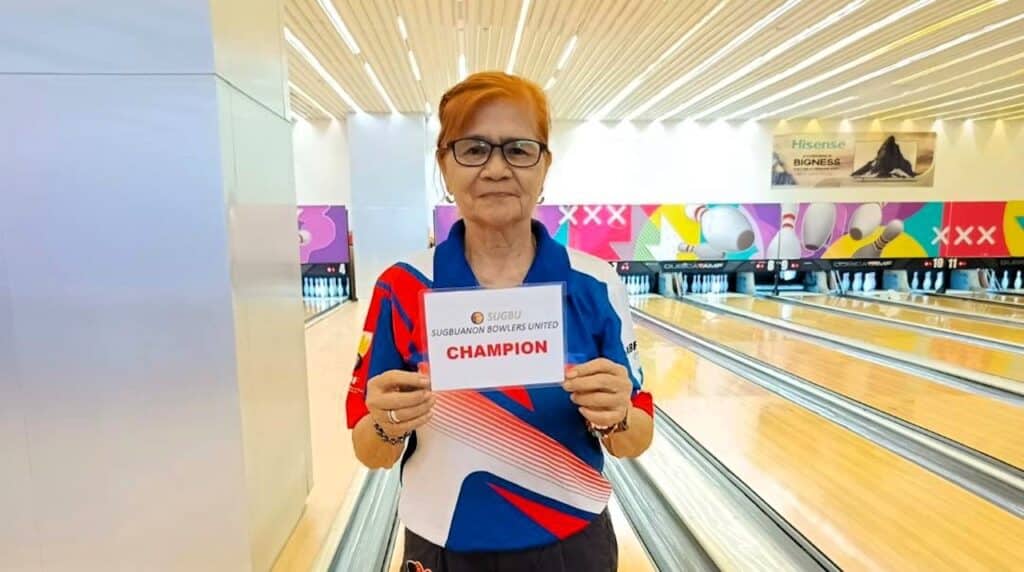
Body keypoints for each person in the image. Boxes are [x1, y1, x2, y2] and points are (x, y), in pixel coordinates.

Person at [346, 71, 654, 572]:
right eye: (472, 149)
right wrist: (385, 423)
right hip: (441, 545)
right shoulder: (401, 287)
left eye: (518, 149)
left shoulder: (595, 283)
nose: (495, 169)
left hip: (572, 546)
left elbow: (634, 438)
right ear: (444, 166)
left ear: (544, 165)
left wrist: (617, 414)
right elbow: (370, 452)